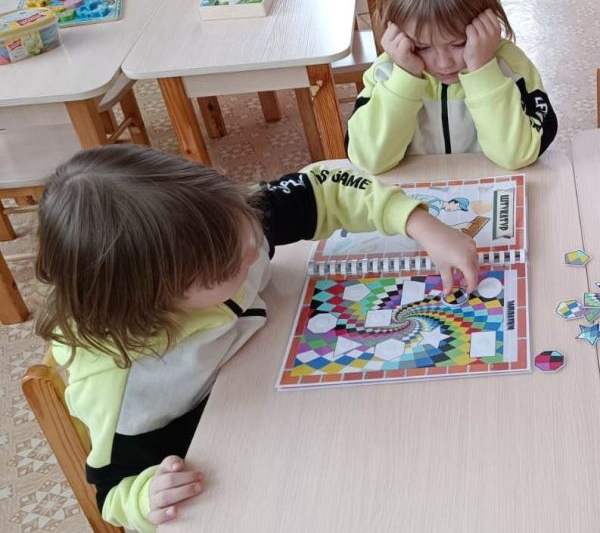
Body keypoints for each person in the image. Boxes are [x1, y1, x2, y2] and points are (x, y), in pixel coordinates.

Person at [35, 144, 478, 532]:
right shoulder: (123, 386)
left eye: (242, 226)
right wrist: (144, 496)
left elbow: (325, 186)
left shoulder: (221, 226)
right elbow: (112, 494)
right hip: (238, 461)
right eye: (229, 266)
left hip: (278, 391)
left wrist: (420, 223)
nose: (251, 248)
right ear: (153, 301)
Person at [346, 0, 558, 174]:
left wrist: (483, 72)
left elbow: (517, 155)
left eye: (458, 43)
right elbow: (369, 160)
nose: (444, 63)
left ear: (486, 21)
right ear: (396, 32)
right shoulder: (386, 73)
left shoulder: (510, 66)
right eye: (422, 47)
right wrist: (405, 79)